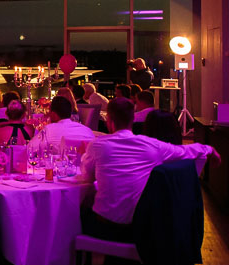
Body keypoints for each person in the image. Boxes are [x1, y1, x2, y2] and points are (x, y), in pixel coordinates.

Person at [81, 97, 219, 241]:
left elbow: (86, 176)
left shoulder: (97, 145)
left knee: (79, 211)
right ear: (133, 119)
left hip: (106, 227)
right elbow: (184, 151)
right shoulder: (153, 146)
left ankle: (80, 261)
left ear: (110, 121)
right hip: (142, 228)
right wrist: (208, 149)